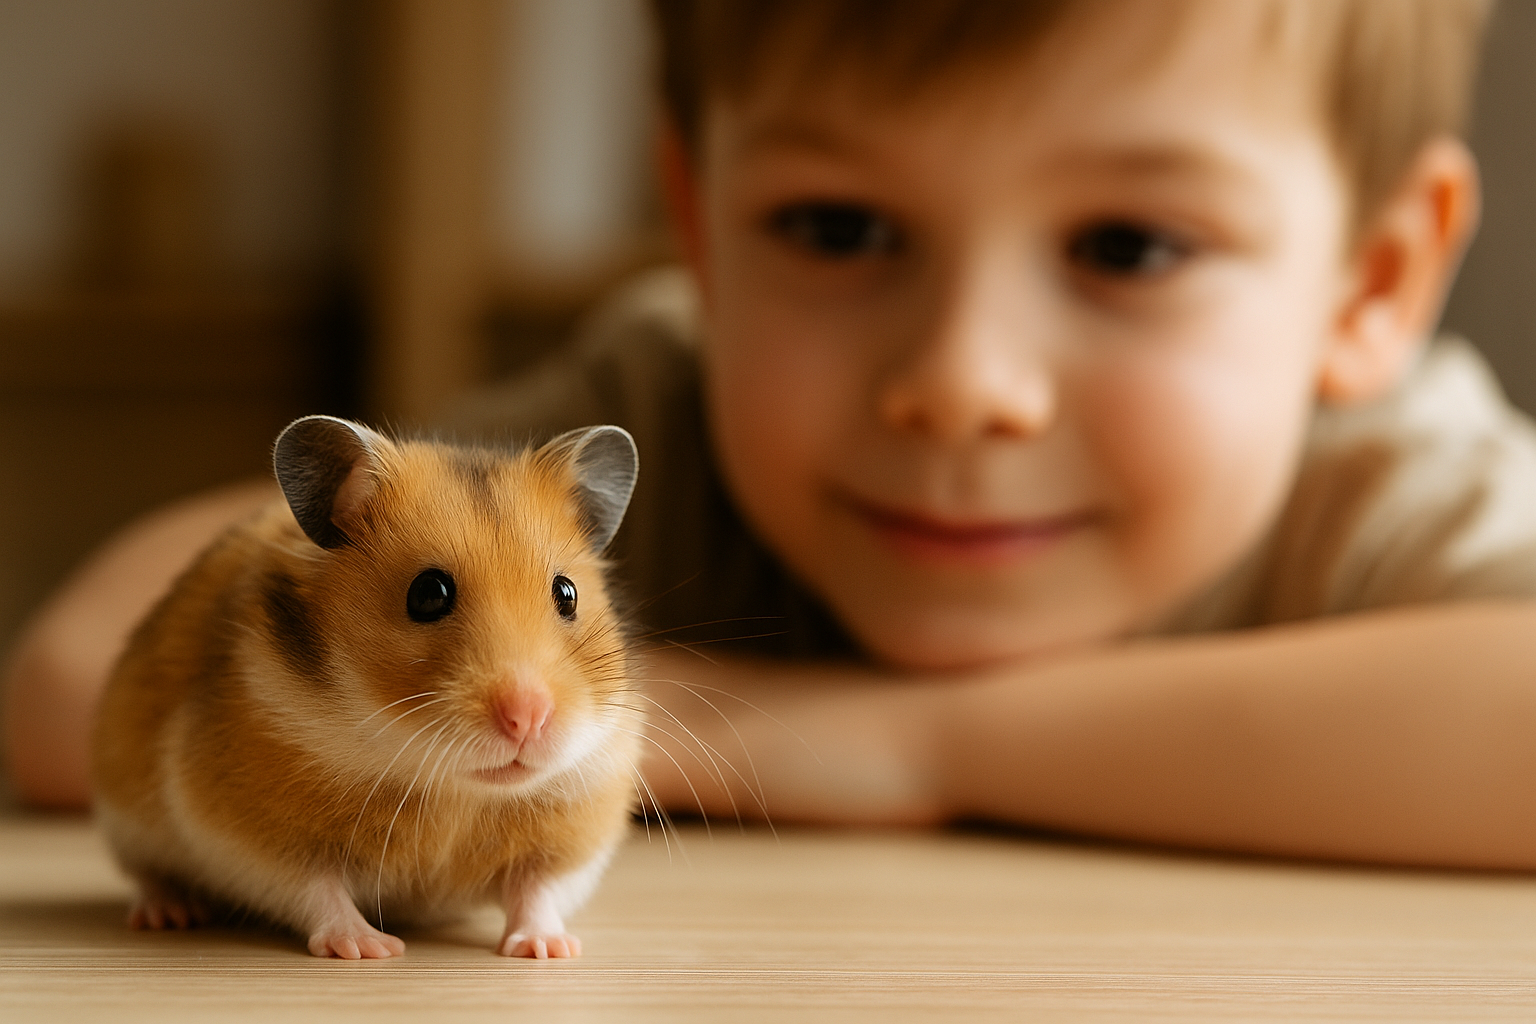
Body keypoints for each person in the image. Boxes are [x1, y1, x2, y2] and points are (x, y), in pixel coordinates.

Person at [9, 0, 1534, 868]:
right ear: (701, 232)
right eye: (837, 224)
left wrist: (905, 745)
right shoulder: (652, 406)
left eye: (1129, 246)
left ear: (1375, 279)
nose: (959, 381)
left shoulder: (1384, 481)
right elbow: (73, 678)